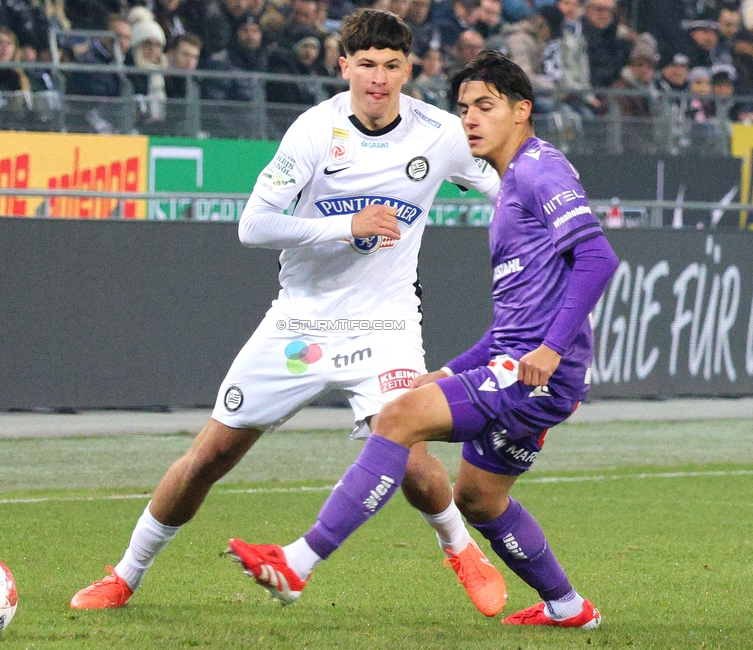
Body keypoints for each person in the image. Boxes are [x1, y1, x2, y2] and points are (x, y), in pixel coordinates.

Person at [69, 9, 507, 619]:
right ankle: (125, 574)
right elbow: (254, 225)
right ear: (343, 66)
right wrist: (343, 225)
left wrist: (548, 214)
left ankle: (463, 551)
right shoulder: (312, 131)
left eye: (391, 66)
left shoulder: (439, 133)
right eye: (366, 66)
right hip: (301, 322)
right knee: (211, 456)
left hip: (385, 322)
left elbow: (506, 187)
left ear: (408, 70)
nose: (378, 79)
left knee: (406, 450)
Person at [228, 50, 619, 630]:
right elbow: (516, 319)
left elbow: (598, 257)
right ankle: (570, 608)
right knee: (480, 499)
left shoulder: (539, 170)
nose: (471, 120)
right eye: (464, 109)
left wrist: (553, 349)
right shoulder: (511, 187)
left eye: (486, 107)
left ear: (521, 111)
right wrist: (453, 368)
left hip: (537, 371)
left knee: (398, 417)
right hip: (525, 363)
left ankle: (298, 563)